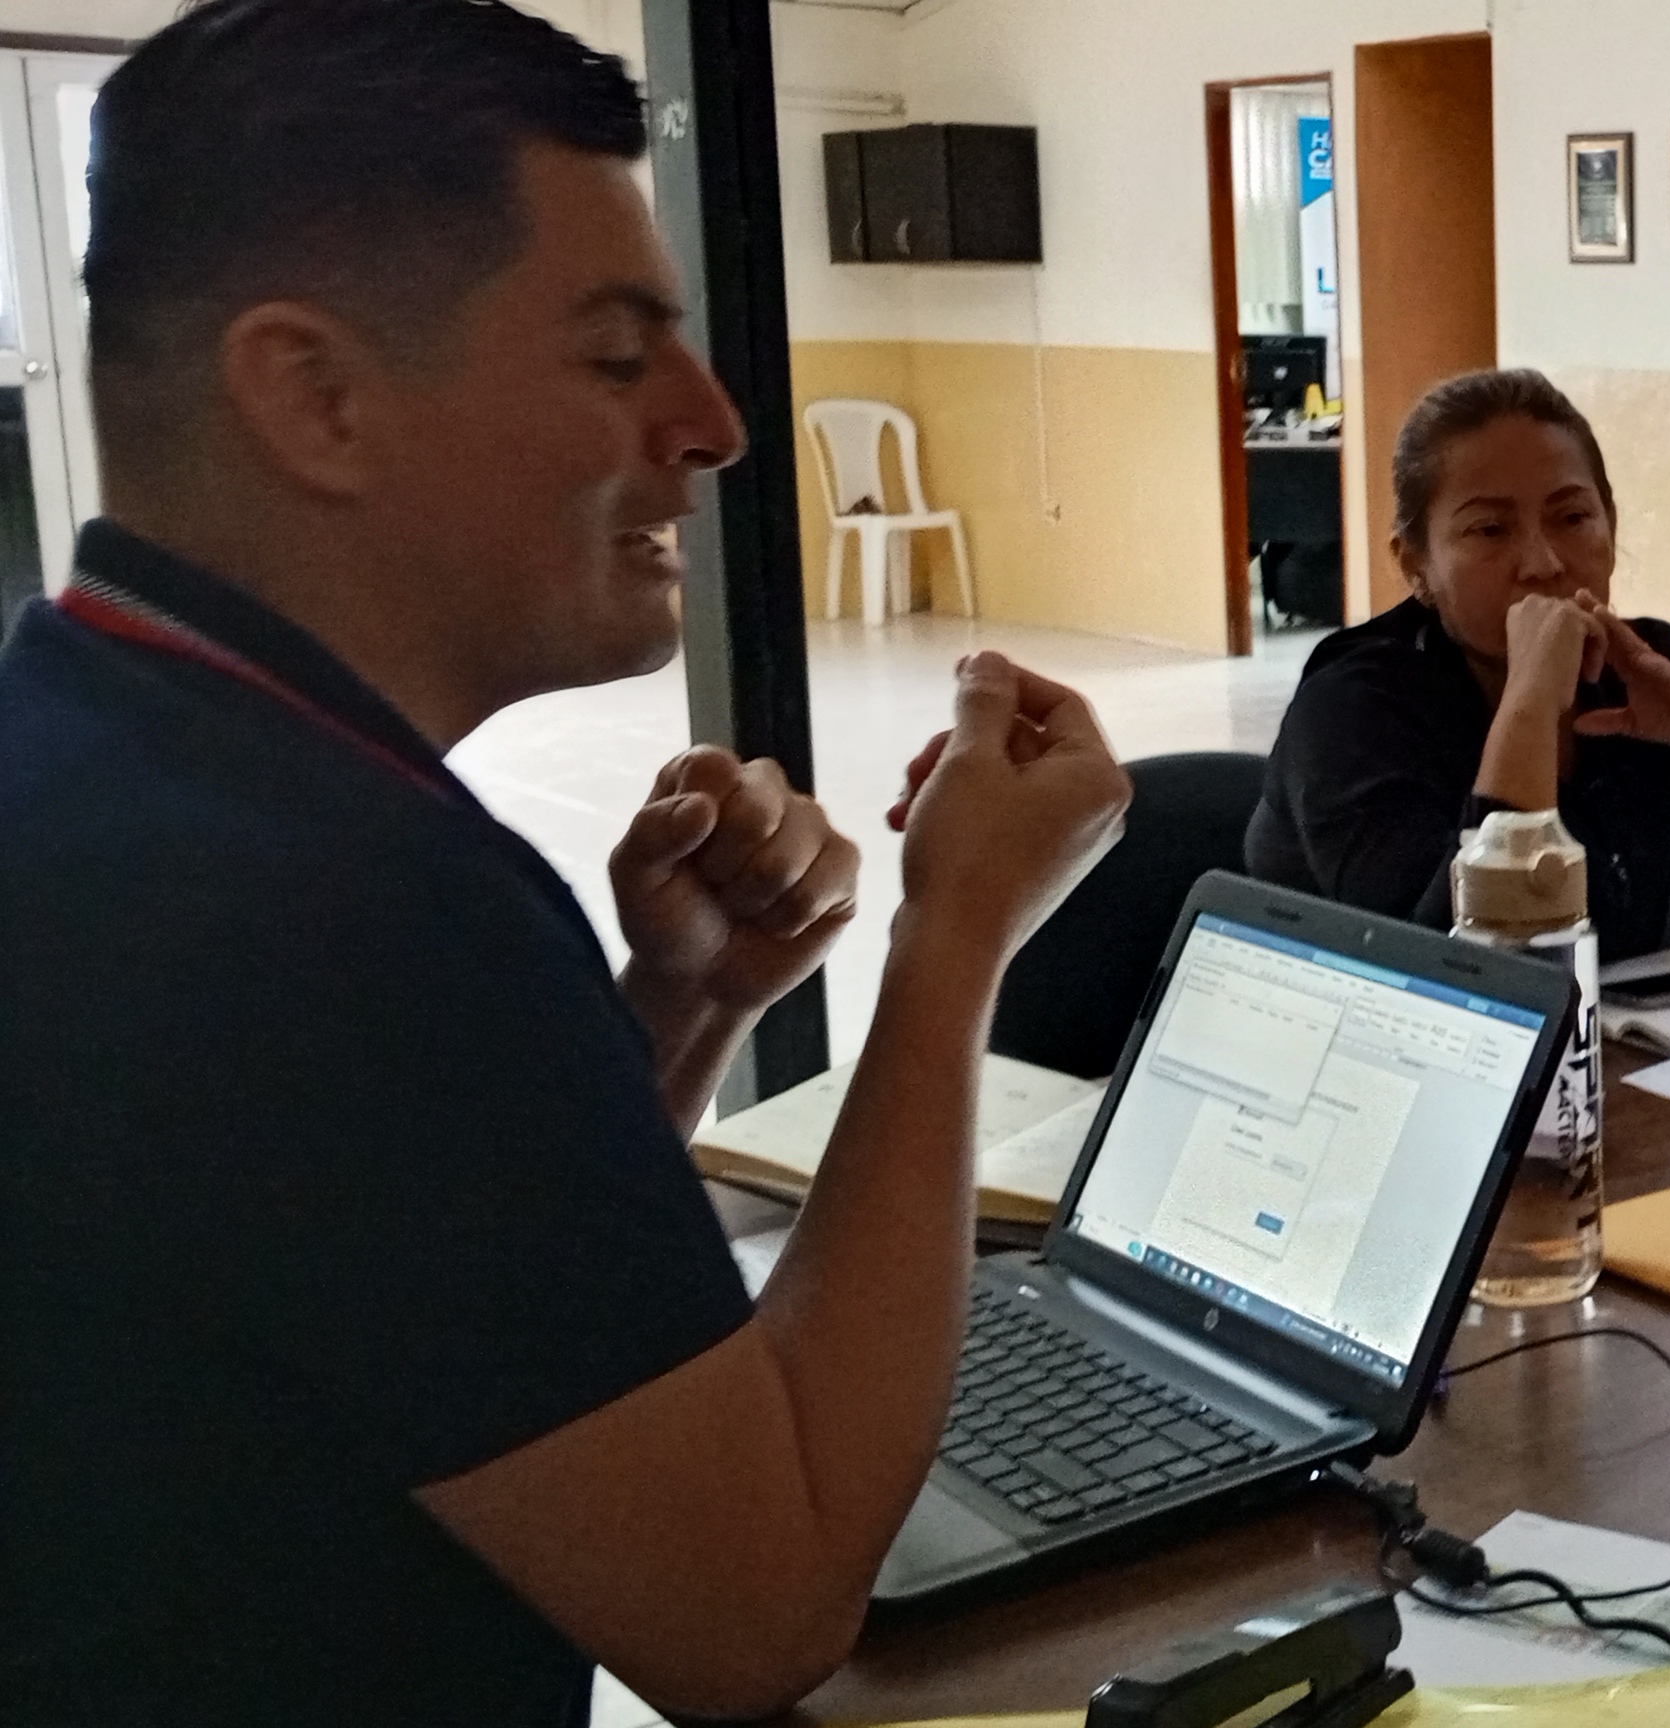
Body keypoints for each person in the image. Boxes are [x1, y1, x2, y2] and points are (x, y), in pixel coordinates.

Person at [0, 4, 1131, 1722]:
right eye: (616, 357)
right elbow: (757, 1608)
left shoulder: (97, 741)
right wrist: (956, 931)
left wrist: (678, 1013)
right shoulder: (337, 902)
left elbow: (424, 1303)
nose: (714, 423)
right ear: (315, 396)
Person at [1247, 367, 1670, 960]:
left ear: (1611, 526)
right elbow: (1463, 974)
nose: (1544, 563)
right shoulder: (1352, 706)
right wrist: (1530, 703)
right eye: (1490, 530)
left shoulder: (1632, 668)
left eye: (1573, 517)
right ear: (1417, 566)